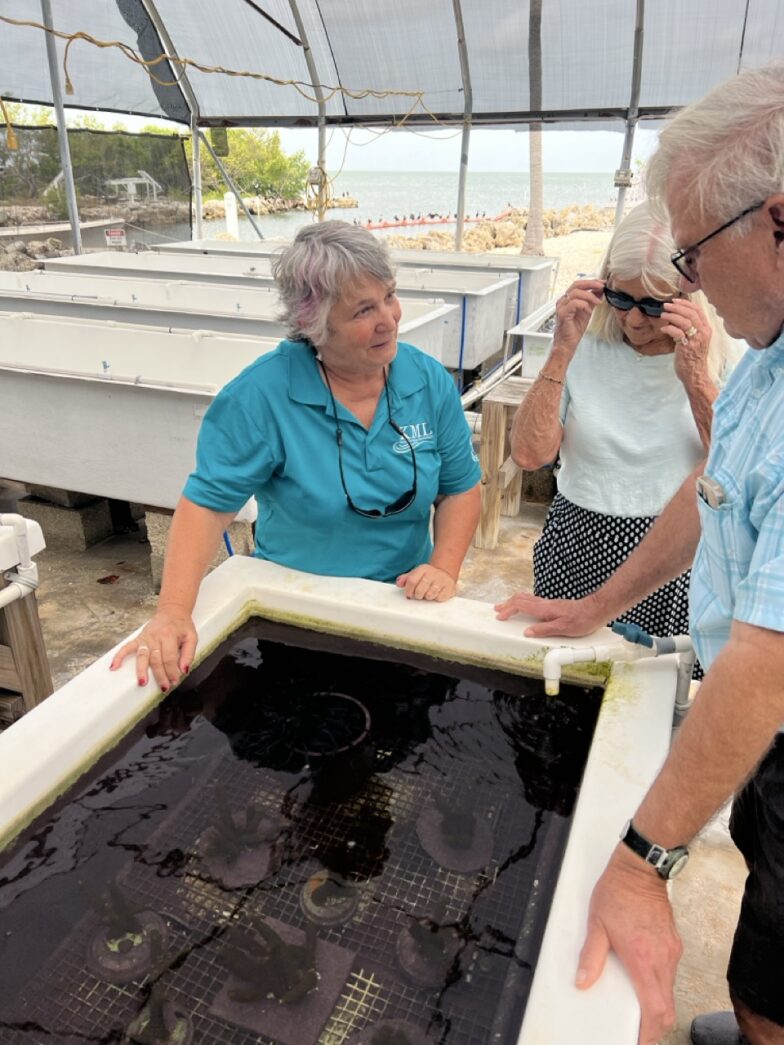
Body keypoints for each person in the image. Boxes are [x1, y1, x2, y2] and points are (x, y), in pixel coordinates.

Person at [497, 64, 784, 1045]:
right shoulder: (771, 354)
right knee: (768, 904)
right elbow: (707, 496)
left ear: (778, 221)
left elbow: (770, 661)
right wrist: (587, 606)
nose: (676, 292)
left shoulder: (738, 357)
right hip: (607, 560)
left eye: (694, 257)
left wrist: (640, 860)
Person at [112, 221, 481, 692]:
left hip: (404, 601)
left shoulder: (427, 381)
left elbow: (460, 487)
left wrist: (444, 569)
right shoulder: (261, 396)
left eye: (389, 296)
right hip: (295, 602)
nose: (388, 318)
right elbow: (207, 506)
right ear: (315, 325)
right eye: (363, 310)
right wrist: (172, 612)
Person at [510, 202, 733, 668]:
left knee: (655, 693)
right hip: (578, 536)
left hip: (673, 555)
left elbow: (730, 467)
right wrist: (561, 351)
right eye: (621, 298)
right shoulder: (584, 340)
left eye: (654, 304)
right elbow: (531, 454)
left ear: (690, 295)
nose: (634, 320)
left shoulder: (723, 350)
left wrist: (695, 376)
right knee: (563, 682)